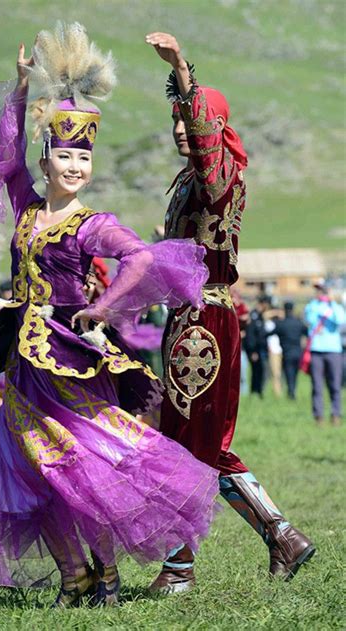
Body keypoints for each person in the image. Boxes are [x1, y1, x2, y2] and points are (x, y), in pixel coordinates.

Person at [0, 24, 219, 607]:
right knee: (32, 467)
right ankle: (73, 577)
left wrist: (100, 309)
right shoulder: (28, 206)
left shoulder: (93, 223)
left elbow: (140, 258)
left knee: (82, 466)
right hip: (24, 361)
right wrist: (24, 91)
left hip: (70, 361)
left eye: (84, 156)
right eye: (65, 155)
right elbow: (5, 160)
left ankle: (102, 575)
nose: (75, 165)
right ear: (47, 158)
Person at [144, 31, 315, 592]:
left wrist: (182, 72)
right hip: (189, 319)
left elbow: (206, 150)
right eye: (174, 120)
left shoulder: (219, 179)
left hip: (205, 327)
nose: (179, 130)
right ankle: (273, 537)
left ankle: (189, 565)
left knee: (192, 447)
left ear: (213, 127)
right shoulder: (191, 182)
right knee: (183, 442)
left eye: (188, 119)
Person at [304, 283, 344, 425]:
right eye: (319, 290)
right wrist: (317, 302)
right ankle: (318, 416)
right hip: (316, 350)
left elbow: (341, 320)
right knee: (317, 385)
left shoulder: (336, 307)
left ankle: (336, 414)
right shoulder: (311, 306)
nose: (321, 292)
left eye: (323, 290)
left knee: (335, 384)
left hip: (334, 350)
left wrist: (332, 301)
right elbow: (309, 320)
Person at [272, 302, 307, 400]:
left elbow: (269, 333)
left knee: (288, 372)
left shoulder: (281, 324)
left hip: (287, 353)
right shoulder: (298, 323)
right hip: (298, 352)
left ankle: (291, 391)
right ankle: (292, 390)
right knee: (295, 373)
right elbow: (307, 332)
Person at [245, 296, 271, 398]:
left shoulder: (260, 315)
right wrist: (253, 351)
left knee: (260, 371)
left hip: (261, 349)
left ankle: (259, 391)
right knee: (256, 371)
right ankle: (255, 391)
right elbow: (251, 335)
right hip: (255, 350)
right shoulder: (254, 316)